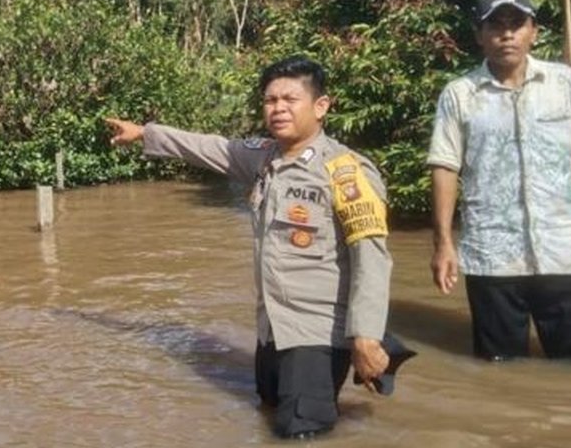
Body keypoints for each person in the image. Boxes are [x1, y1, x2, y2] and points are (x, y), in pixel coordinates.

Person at [107, 55, 398, 440]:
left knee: (301, 433)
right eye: (270, 100)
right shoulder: (264, 158)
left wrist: (365, 336)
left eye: (289, 99)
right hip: (272, 328)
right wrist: (145, 133)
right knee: (270, 414)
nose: (277, 108)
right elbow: (208, 147)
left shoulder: (346, 172)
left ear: (321, 106)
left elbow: (372, 258)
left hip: (316, 331)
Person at [427, 0, 571, 361]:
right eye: (495, 25)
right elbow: (445, 165)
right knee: (498, 370)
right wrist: (443, 243)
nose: (507, 33)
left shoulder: (565, 83)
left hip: (566, 251)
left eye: (517, 23)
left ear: (534, 31)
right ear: (480, 35)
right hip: (492, 256)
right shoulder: (459, 93)